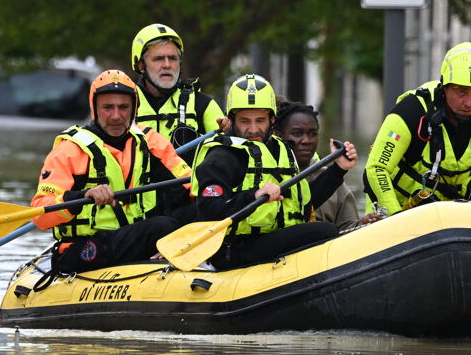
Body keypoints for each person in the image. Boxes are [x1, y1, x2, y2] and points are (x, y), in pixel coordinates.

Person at [30, 70, 193, 274]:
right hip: (83, 249)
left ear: (134, 109)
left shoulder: (151, 142)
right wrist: (81, 197)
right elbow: (40, 214)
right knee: (162, 227)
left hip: (132, 239)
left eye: (123, 107)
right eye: (108, 107)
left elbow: (192, 187)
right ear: (95, 109)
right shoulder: (69, 150)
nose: (116, 116)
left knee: (195, 212)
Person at [191, 74, 358, 269]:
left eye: (260, 120)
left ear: (272, 120)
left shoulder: (280, 149)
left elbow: (303, 202)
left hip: (269, 239)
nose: (253, 129)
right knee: (324, 231)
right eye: (244, 121)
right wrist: (253, 196)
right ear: (232, 120)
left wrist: (338, 169)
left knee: (319, 230)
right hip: (233, 249)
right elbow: (210, 212)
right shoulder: (221, 157)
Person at [363, 42, 471, 216]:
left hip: (451, 218)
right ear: (444, 87)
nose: (469, 102)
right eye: (461, 92)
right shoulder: (411, 111)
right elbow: (376, 169)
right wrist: (395, 217)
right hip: (398, 207)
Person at [273, 100, 381, 231]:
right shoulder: (269, 177)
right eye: (297, 133)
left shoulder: (335, 182)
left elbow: (347, 228)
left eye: (312, 134)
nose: (306, 141)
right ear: (278, 136)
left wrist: (362, 223)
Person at [131, 24, 225, 151]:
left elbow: (227, 158)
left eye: (172, 58)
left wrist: (229, 131)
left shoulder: (202, 104)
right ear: (141, 66)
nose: (167, 65)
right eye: (158, 59)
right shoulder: (124, 105)